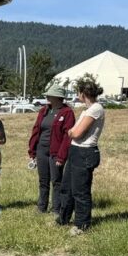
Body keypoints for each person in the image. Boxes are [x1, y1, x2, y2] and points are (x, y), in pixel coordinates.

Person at [57, 78, 105, 234]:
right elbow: (72, 131)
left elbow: (76, 132)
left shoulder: (96, 109)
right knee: (67, 187)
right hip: (75, 151)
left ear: (83, 93)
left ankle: (81, 224)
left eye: (78, 92)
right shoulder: (86, 110)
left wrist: (71, 132)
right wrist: (71, 132)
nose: (77, 94)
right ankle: (63, 219)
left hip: (85, 152)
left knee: (80, 190)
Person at [27, 85, 75, 214]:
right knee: (43, 180)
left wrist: (61, 156)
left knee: (56, 181)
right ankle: (41, 207)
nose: (46, 97)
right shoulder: (44, 111)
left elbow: (67, 136)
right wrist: (32, 150)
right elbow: (36, 129)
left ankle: (56, 209)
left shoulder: (67, 112)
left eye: (49, 95)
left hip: (55, 151)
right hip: (41, 150)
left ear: (58, 97)